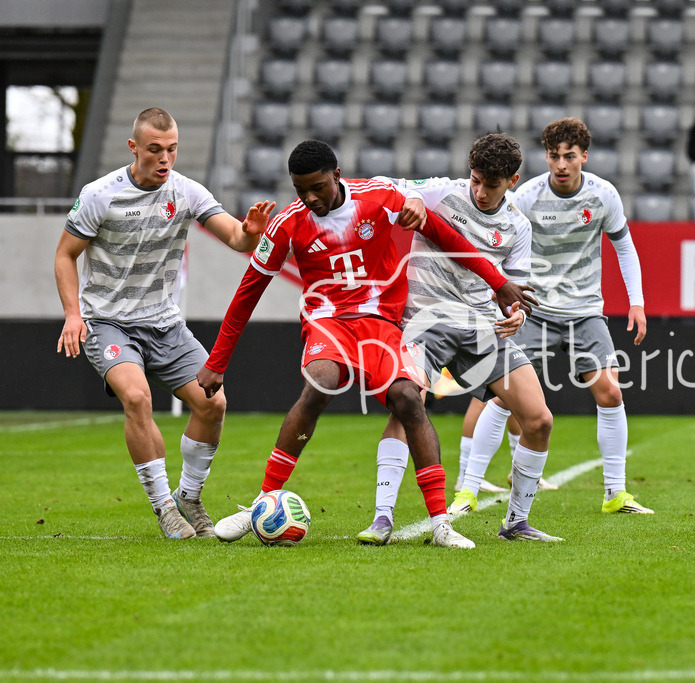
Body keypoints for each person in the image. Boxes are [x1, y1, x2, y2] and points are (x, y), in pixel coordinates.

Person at [197, 140, 537, 549]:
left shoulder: (377, 200)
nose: (310, 198)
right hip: (329, 321)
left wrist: (499, 284)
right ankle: (261, 502)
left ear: (337, 176)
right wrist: (218, 361)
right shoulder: (286, 223)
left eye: (318, 187)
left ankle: (441, 523)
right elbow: (248, 291)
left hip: (382, 322)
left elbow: (446, 235)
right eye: (300, 189)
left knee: (409, 400)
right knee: (320, 383)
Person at [54, 107, 275, 539]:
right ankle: (163, 508)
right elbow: (64, 255)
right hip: (108, 322)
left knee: (213, 403)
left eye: (171, 149)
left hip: (165, 324)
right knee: (137, 397)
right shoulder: (100, 195)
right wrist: (72, 315)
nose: (164, 159)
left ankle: (188, 497)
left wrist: (250, 232)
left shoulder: (187, 191)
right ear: (133, 147)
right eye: (154, 149)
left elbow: (235, 238)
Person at [356, 133, 561, 545]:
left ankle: (516, 522)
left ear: (513, 181)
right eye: (476, 180)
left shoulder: (518, 226)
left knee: (539, 420)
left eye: (492, 184)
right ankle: (381, 518)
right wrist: (408, 199)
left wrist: (516, 316)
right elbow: (385, 187)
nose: (481, 192)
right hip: (426, 323)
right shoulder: (441, 193)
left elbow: (514, 292)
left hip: (483, 327)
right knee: (405, 407)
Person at [456, 117, 653, 516]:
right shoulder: (526, 197)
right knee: (501, 397)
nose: (561, 164)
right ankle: (468, 489)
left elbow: (625, 248)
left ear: (584, 156)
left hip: (585, 313)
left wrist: (637, 302)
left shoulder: (604, 195)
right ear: (545, 157)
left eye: (569, 156)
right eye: (553, 156)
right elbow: (500, 246)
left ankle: (616, 494)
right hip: (533, 312)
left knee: (611, 393)